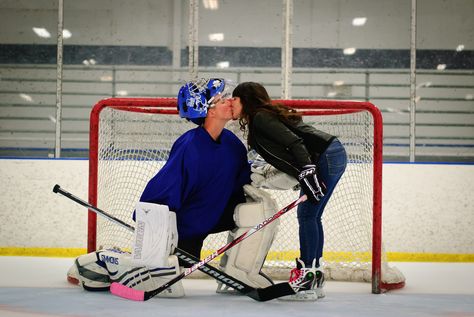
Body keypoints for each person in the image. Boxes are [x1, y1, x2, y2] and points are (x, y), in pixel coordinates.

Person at [67, 78, 280, 297]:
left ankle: (240, 271)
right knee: (166, 277)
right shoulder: (190, 147)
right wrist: (153, 239)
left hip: (209, 217)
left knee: (257, 208)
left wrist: (277, 174)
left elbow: (243, 182)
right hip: (182, 230)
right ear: (209, 111)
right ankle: (105, 261)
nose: (229, 102)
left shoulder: (231, 144)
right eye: (221, 100)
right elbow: (160, 194)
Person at [230, 81, 348, 301]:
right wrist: (304, 171)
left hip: (325, 156)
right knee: (313, 215)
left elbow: (294, 142)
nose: (231, 103)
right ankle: (314, 277)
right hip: (330, 154)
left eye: (234, 98)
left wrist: (308, 170)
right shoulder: (260, 118)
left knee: (308, 215)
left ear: (245, 100)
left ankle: (307, 281)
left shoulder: (261, 118)